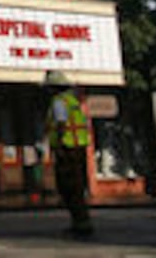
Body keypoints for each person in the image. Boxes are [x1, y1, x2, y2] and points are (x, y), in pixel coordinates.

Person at [44, 70, 94, 237]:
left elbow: (60, 123)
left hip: (67, 148)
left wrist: (57, 145)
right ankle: (82, 220)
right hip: (78, 147)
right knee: (77, 186)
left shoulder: (59, 101)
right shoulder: (72, 100)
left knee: (68, 186)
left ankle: (80, 222)